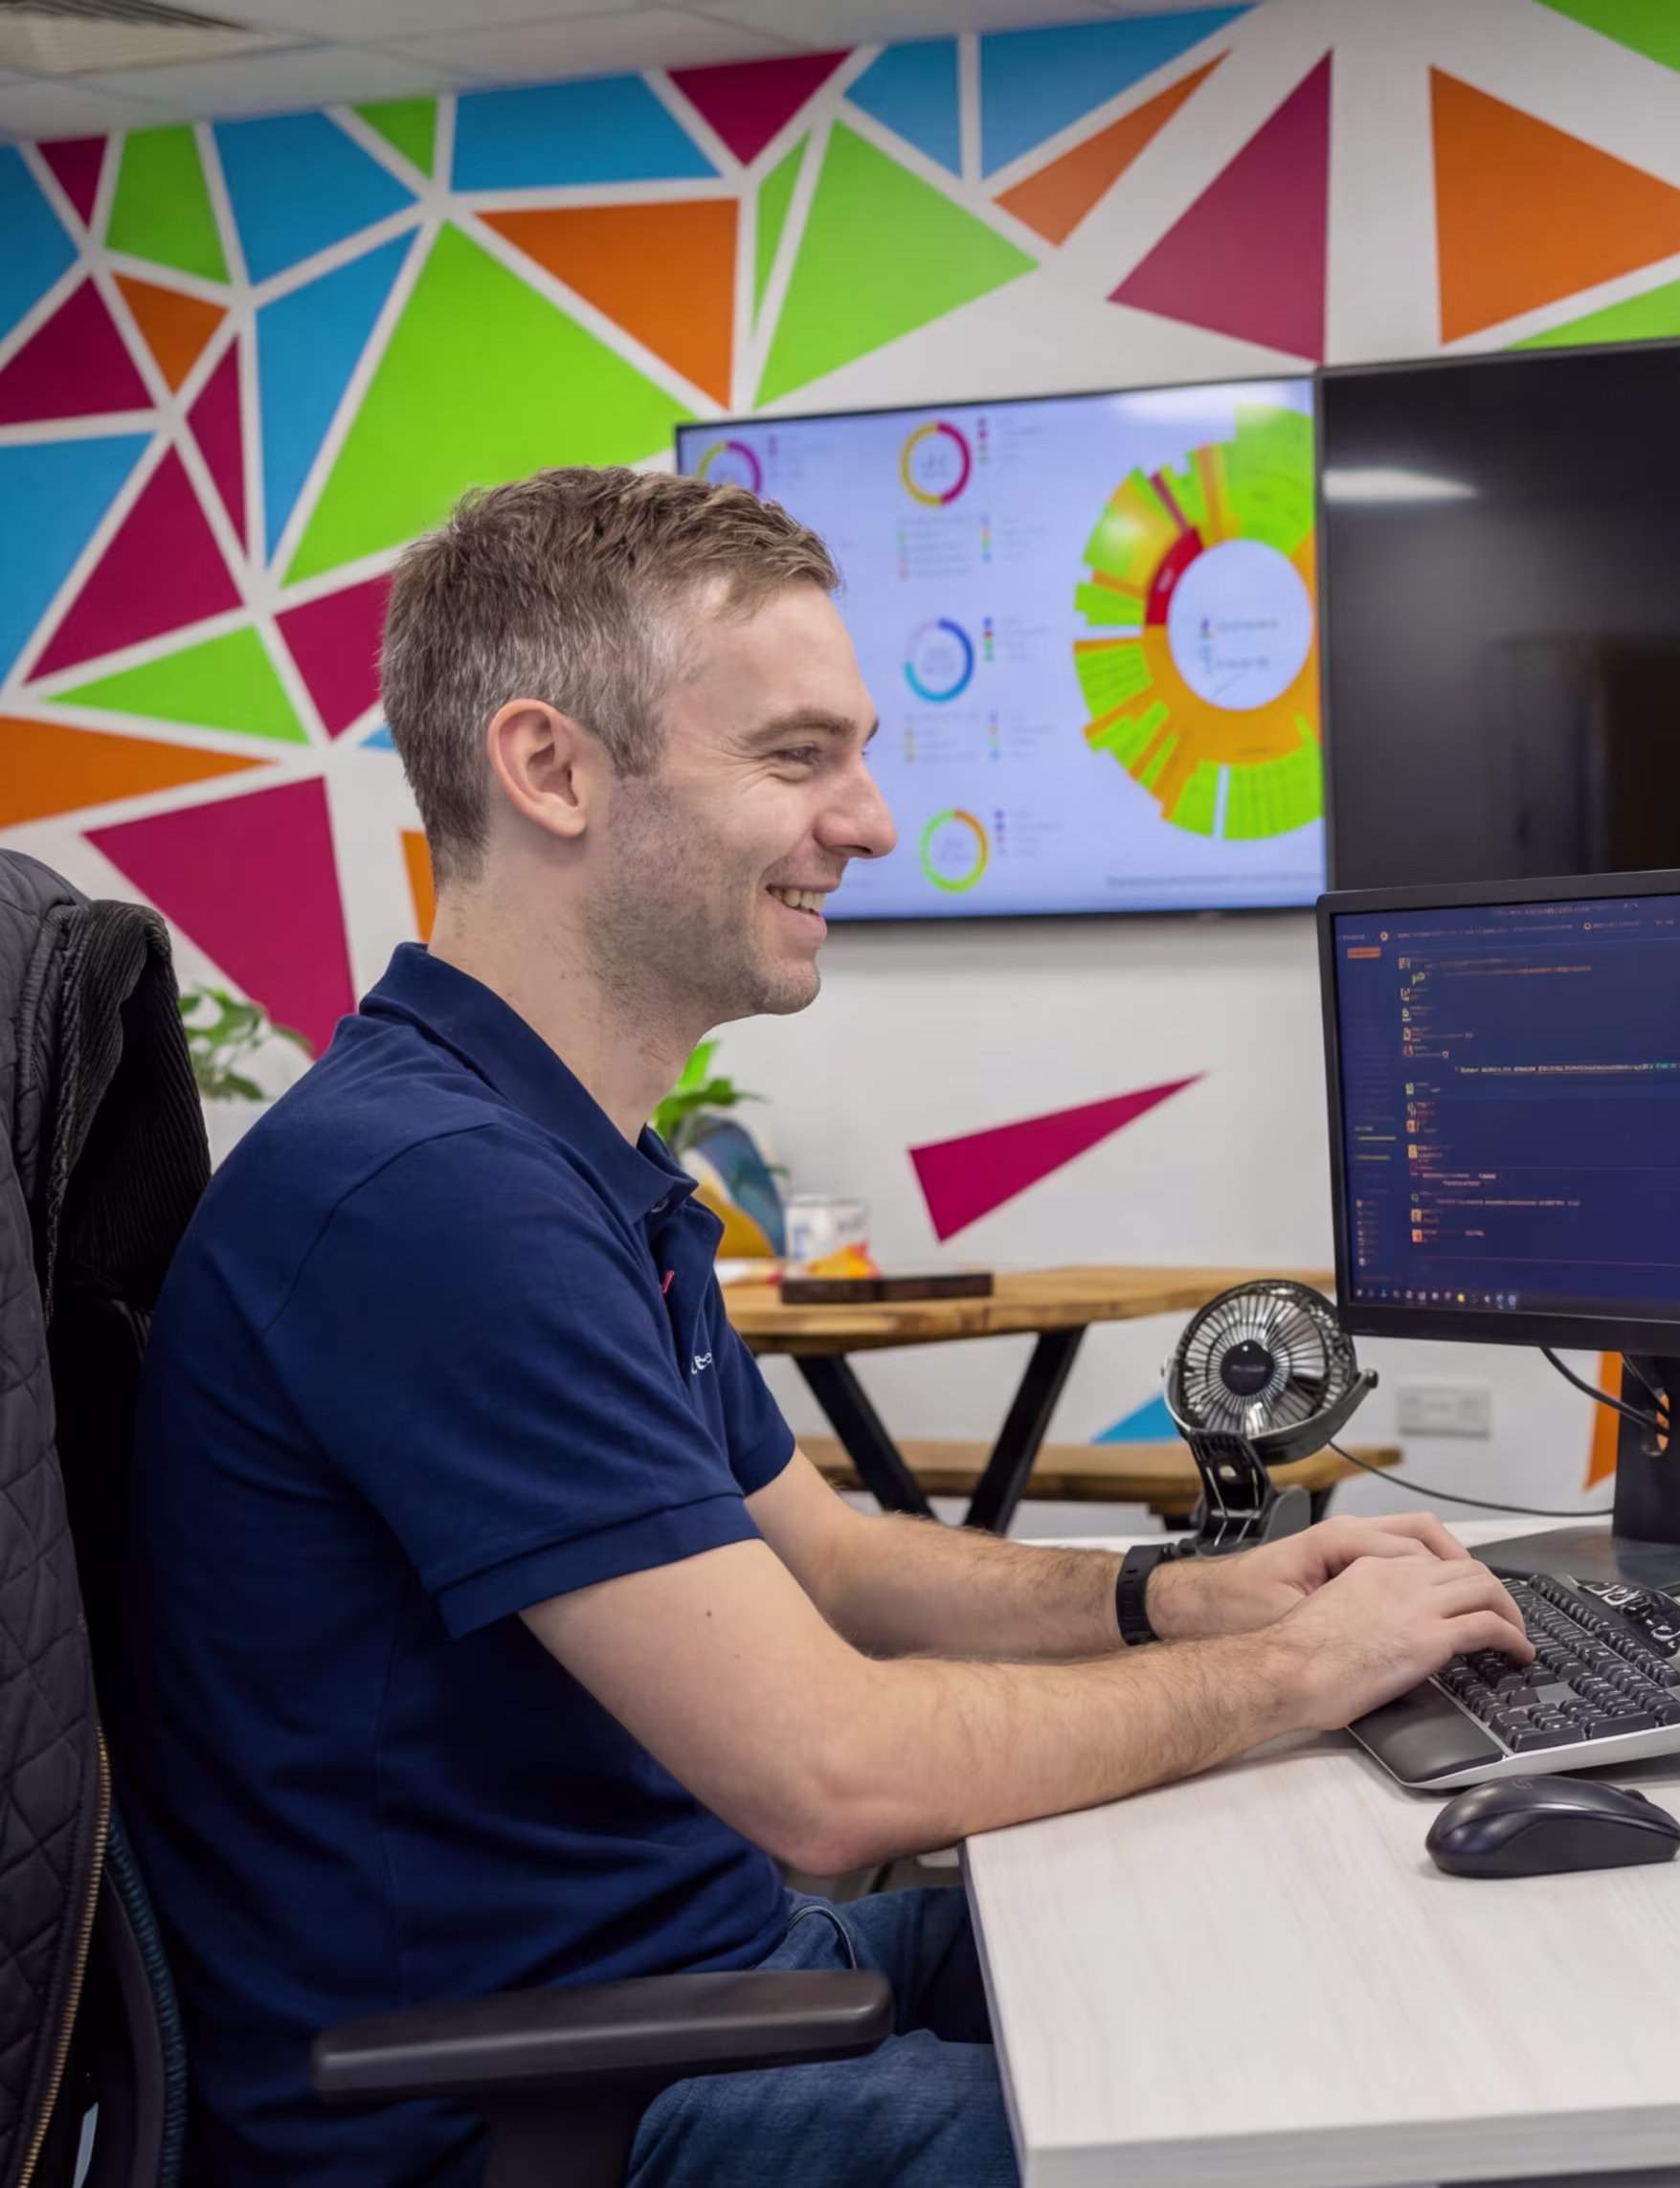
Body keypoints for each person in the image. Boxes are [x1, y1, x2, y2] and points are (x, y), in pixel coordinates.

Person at [123, 467, 1534, 2188]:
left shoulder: (564, 1161)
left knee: (1333, 1950)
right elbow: (828, 1772)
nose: (868, 822)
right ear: (548, 766)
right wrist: (1298, 1672)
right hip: (526, 2108)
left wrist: (1183, 1595)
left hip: (710, 1981)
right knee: (1327, 2139)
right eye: (796, 757)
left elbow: (837, 1569)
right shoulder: (428, 1196)